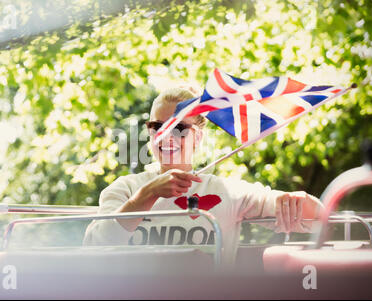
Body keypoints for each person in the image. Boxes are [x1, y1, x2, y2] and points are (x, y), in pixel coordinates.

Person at [83, 87, 323, 264]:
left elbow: (315, 218)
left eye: (178, 128)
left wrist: (298, 202)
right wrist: (147, 194)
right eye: (157, 127)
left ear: (197, 137)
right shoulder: (124, 188)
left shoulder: (228, 192)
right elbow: (95, 246)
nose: (166, 137)